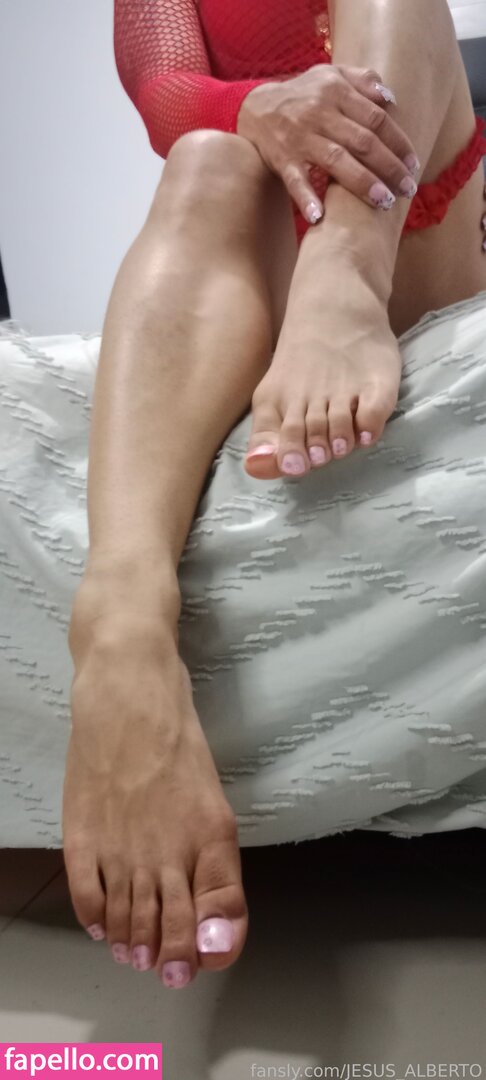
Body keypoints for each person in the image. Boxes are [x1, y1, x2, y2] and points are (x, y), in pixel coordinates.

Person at [62, 0, 486, 990]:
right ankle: (121, 627)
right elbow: (166, 95)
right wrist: (262, 108)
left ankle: (347, 279)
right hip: (269, 250)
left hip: (413, 230)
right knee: (208, 158)